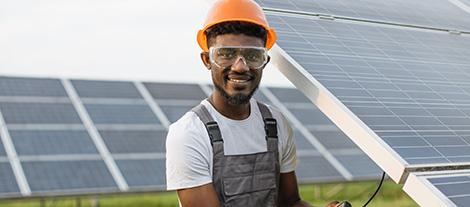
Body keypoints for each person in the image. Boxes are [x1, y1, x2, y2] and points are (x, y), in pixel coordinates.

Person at [166, 0, 340, 206]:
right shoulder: (189, 133)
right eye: (226, 54)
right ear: (206, 60)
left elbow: (290, 203)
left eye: (252, 55)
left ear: (264, 62)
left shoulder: (276, 124)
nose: (240, 67)